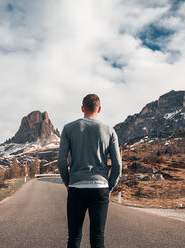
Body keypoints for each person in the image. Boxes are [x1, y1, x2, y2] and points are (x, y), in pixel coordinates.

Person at [58, 94, 122, 248]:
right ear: (99, 109)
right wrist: (110, 186)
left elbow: (61, 161)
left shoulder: (68, 128)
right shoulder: (110, 131)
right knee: (98, 239)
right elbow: (117, 165)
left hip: (76, 188)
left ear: (82, 108)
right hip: (100, 189)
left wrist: (68, 182)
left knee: (73, 238)